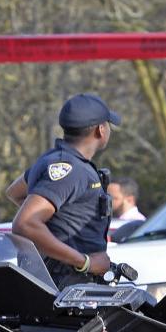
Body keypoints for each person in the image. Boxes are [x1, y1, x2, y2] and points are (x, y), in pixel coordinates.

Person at [10, 93, 121, 286]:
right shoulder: (70, 169)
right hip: (68, 283)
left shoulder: (55, 160)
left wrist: (54, 225)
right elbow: (25, 223)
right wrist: (85, 262)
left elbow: (15, 192)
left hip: (61, 278)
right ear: (100, 130)